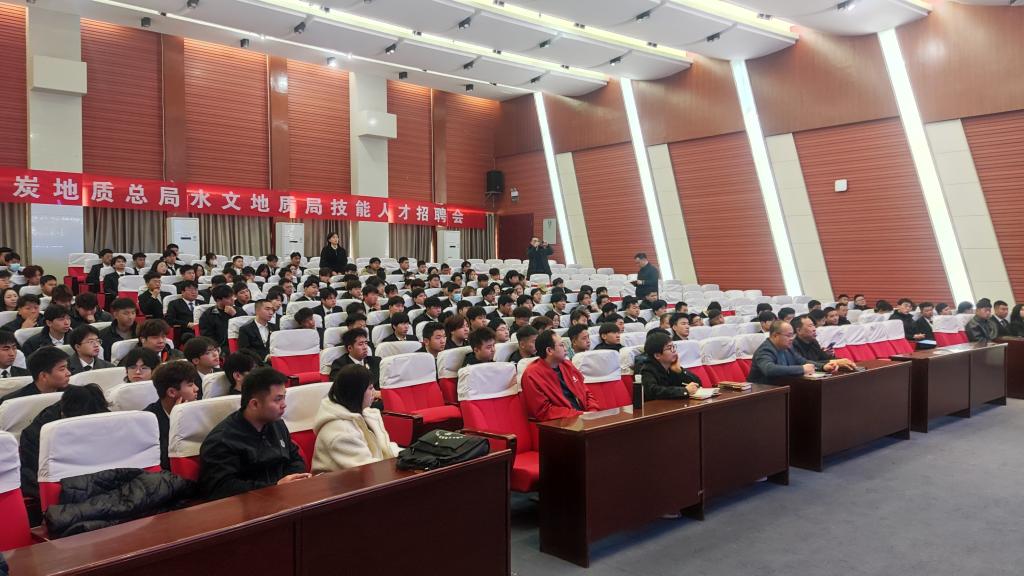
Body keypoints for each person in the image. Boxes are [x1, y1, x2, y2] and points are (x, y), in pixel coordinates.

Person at [198, 368, 310, 500]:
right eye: (278, 399)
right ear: (254, 404)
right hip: (248, 506)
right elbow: (221, 488)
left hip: (285, 498)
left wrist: (293, 479)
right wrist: (275, 487)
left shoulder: (277, 424)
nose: (284, 405)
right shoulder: (222, 440)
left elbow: (295, 458)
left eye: (284, 397)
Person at [18, 384, 108, 523]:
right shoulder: (36, 435)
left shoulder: (102, 417)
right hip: (63, 502)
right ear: (63, 416)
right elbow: (36, 480)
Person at [312, 364, 398, 473]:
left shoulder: (366, 413)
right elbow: (366, 470)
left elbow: (384, 448)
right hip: (344, 482)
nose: (374, 392)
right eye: (370, 388)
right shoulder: (340, 432)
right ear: (356, 392)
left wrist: (407, 456)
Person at [521, 330, 598, 421]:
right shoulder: (532, 375)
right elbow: (543, 411)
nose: (566, 349)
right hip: (561, 423)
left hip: (584, 418)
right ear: (549, 350)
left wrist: (593, 411)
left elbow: (586, 393)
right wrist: (580, 414)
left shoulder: (567, 365)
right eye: (561, 345)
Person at [748, 321, 847, 385]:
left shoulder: (788, 347)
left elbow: (802, 361)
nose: (792, 339)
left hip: (784, 387)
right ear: (775, 335)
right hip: (764, 392)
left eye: (792, 335)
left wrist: (823, 366)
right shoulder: (765, 350)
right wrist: (802, 369)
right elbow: (769, 369)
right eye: (788, 335)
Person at [145, 361, 201, 470]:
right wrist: (176, 422)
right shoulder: (149, 422)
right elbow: (164, 462)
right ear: (171, 392)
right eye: (190, 385)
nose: (196, 389)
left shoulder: (198, 410)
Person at [637, 331, 701, 400]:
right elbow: (654, 391)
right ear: (657, 355)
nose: (674, 351)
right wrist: (684, 391)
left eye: (673, 347)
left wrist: (680, 371)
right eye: (669, 348)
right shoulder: (648, 370)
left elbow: (698, 383)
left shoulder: (671, 367)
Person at [0, 346, 71, 404]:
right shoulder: (13, 402)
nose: (69, 373)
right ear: (43, 376)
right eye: (62, 369)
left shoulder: (73, 393)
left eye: (67, 368)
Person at [328, 329, 381, 394]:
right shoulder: (339, 365)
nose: (365, 347)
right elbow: (339, 390)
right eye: (360, 344)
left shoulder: (376, 361)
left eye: (366, 343)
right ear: (350, 348)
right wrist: (371, 394)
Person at [200, 284, 238, 355]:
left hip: (240, 343)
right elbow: (207, 336)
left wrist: (235, 315)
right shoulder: (208, 315)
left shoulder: (239, 310)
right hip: (221, 346)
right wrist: (216, 347)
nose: (232, 299)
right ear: (218, 300)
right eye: (228, 298)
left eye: (232, 296)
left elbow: (247, 328)